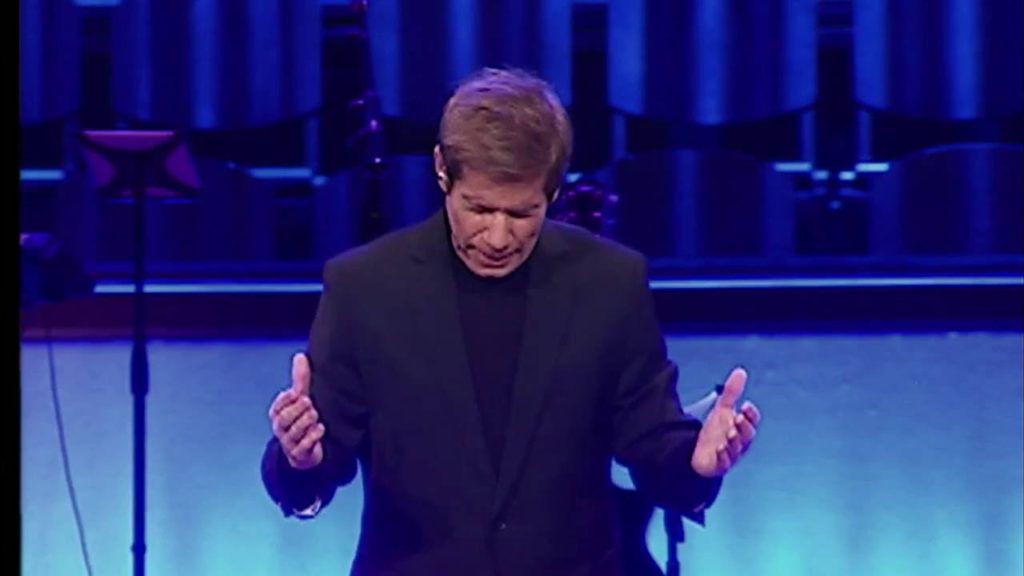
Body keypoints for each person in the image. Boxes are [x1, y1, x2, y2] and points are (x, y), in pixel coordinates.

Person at [261, 67, 761, 576]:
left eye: (521, 214)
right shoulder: (365, 287)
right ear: (442, 170)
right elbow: (317, 466)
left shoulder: (610, 283)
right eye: (479, 209)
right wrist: (299, 459)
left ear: (553, 191)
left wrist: (697, 464)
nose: (498, 238)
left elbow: (652, 441)